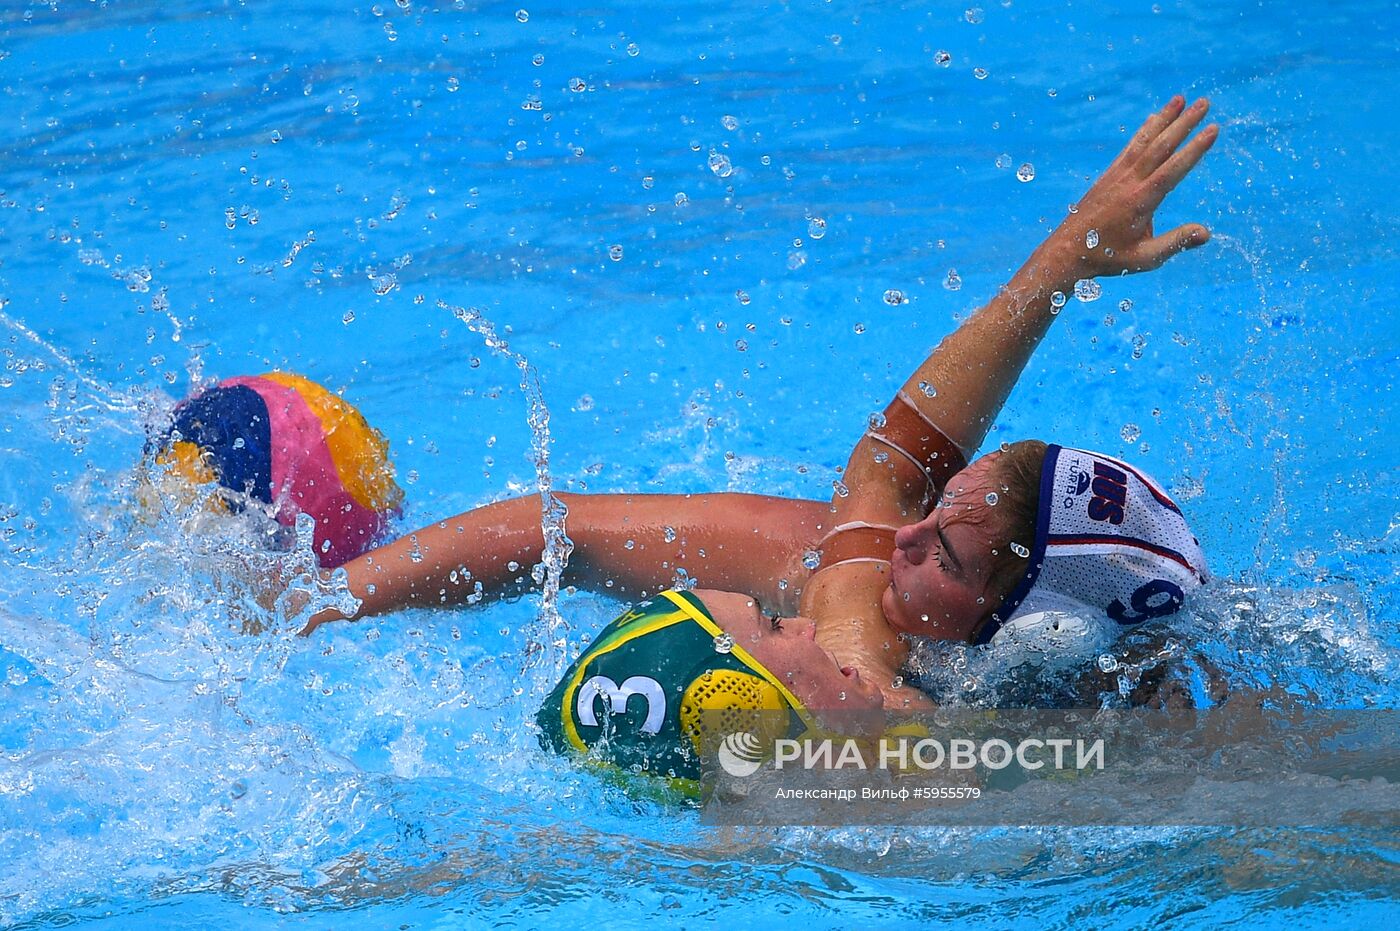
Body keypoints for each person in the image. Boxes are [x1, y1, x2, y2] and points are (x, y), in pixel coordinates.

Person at [297, 96, 1219, 779]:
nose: (894, 532)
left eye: (945, 549)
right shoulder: (847, 615)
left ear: (1032, 629)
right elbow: (557, 527)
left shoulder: (1025, 741)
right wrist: (315, 603)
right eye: (937, 506)